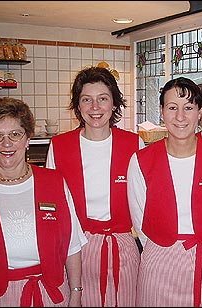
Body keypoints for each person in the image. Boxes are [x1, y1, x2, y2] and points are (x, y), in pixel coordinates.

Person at [0, 97, 88, 307]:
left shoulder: (55, 183)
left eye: (15, 134)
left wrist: (76, 295)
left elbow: (72, 246)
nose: (7, 143)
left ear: (27, 139)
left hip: (51, 295)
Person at [127, 77, 202, 306]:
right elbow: (140, 220)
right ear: (161, 112)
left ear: (199, 113)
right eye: (172, 108)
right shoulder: (141, 161)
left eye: (188, 108)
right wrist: (167, 247)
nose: (180, 116)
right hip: (159, 260)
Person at [45, 66, 144, 307]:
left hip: (123, 245)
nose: (95, 107)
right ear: (78, 106)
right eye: (86, 100)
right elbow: (53, 207)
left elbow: (145, 202)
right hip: (78, 248)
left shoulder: (134, 144)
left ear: (114, 103)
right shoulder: (59, 146)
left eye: (103, 99)